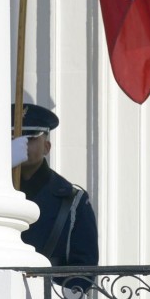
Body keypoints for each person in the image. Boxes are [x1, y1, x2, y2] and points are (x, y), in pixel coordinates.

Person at [12, 103, 99, 274]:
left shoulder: (73, 199)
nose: (22, 144)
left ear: (47, 147)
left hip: (48, 294)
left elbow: (84, 266)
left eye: (30, 138)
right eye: (14, 138)